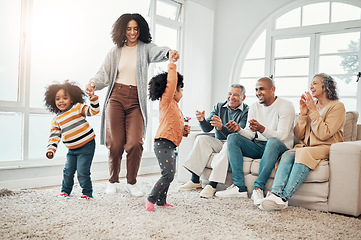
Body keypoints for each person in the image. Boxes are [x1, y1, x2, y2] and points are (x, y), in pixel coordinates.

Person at [85, 13, 179, 197]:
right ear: (122, 30)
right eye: (128, 29)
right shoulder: (115, 52)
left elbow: (158, 51)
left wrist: (169, 52)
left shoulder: (145, 49)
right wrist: (93, 84)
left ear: (141, 29)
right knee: (116, 143)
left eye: (136, 28)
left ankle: (131, 182)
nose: (132, 32)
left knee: (135, 142)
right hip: (116, 98)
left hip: (136, 100)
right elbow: (103, 74)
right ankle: (112, 180)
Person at [260, 73, 345, 211]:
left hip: (327, 146)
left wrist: (312, 110)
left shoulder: (337, 107)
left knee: (303, 153)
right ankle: (275, 194)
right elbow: (299, 134)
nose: (311, 86)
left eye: (315, 83)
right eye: (311, 83)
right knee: (288, 154)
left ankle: (283, 198)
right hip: (306, 146)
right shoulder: (313, 105)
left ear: (326, 86)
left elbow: (324, 134)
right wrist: (303, 114)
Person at [215, 77, 295, 204]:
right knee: (233, 138)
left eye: (262, 89)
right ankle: (239, 187)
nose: (258, 93)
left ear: (272, 89)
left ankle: (258, 188)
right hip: (259, 145)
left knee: (273, 141)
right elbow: (250, 134)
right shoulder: (254, 107)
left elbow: (282, 136)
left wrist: (261, 129)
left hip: (279, 147)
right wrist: (239, 129)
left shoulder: (286, 106)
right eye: (256, 89)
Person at [178, 84, 249, 198]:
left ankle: (212, 184)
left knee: (228, 145)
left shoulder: (246, 111)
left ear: (243, 98)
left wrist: (221, 127)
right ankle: (195, 180)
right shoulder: (219, 107)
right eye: (230, 94)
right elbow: (207, 128)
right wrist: (202, 120)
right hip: (219, 141)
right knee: (201, 139)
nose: (231, 97)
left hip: (234, 144)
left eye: (236, 95)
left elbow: (240, 134)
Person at [146, 51, 188, 212]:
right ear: (173, 90)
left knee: (170, 173)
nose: (181, 91)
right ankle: (151, 198)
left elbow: (174, 126)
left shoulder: (175, 108)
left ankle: (161, 201)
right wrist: (172, 63)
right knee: (168, 175)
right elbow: (171, 83)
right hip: (162, 143)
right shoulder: (167, 101)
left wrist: (183, 130)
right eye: (180, 88)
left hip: (169, 144)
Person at [44, 80, 100, 199]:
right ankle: (65, 191)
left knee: (82, 172)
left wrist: (93, 99)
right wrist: (51, 149)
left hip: (87, 145)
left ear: (72, 99)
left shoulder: (77, 108)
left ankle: (87, 193)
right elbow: (54, 136)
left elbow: (93, 111)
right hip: (72, 149)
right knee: (68, 171)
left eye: (64, 98)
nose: (61, 101)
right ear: (53, 102)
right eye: (57, 99)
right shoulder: (57, 119)